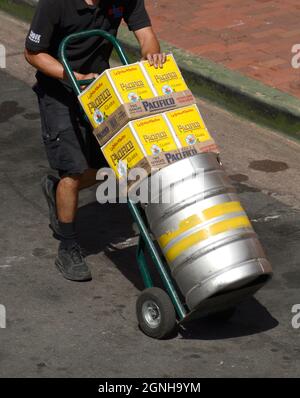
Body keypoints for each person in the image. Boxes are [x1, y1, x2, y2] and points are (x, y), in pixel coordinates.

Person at [24, 0, 166, 282]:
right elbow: (33, 53)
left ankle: (58, 192)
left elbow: (147, 35)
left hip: (101, 87)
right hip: (60, 91)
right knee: (73, 172)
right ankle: (68, 246)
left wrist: (151, 56)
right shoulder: (55, 3)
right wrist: (73, 77)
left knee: (114, 166)